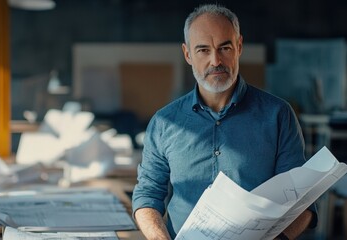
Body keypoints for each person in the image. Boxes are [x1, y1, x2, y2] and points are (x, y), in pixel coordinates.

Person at [132, 4, 317, 240]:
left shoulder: (278, 115)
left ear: (239, 46)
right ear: (187, 54)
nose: (215, 60)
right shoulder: (164, 123)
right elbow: (147, 196)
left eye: (225, 48)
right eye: (203, 50)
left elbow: (302, 202)